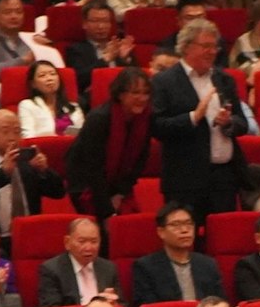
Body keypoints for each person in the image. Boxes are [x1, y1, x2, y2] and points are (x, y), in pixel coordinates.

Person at [150, 19, 248, 219]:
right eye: (206, 46)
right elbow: (157, 127)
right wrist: (193, 117)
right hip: (185, 181)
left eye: (215, 46)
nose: (213, 51)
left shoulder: (224, 80)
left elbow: (242, 123)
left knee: (222, 239)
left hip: (224, 179)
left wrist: (228, 123)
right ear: (186, 47)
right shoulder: (164, 82)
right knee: (187, 241)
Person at [63, 66, 152, 222]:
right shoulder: (99, 118)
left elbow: (140, 160)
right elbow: (93, 169)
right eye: (136, 93)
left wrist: (120, 194)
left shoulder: (145, 118)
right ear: (120, 94)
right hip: (87, 185)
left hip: (119, 186)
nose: (142, 98)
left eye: (146, 93)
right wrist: (108, 211)